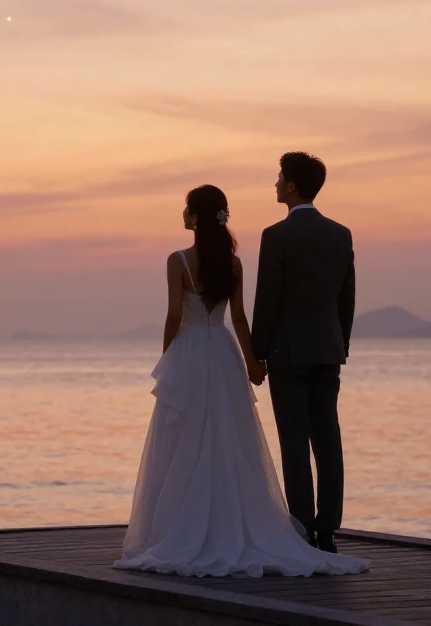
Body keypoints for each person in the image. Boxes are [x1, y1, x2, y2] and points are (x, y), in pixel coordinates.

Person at [114, 184, 367, 578]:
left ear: (196, 217)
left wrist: (168, 358)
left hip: (191, 354)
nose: (182, 214)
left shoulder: (177, 260)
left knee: (186, 441)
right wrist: (251, 361)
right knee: (230, 440)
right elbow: (239, 319)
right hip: (226, 356)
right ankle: (277, 526)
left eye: (186, 209)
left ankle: (185, 525)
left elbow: (174, 316)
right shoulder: (232, 264)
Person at [252, 152, 356, 554]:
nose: (275, 182)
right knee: (327, 439)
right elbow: (346, 297)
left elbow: (268, 298)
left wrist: (258, 353)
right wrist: (339, 343)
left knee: (294, 442)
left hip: (288, 354)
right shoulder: (340, 233)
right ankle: (328, 530)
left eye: (279, 176)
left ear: (293, 184)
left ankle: (302, 530)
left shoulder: (276, 236)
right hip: (328, 352)